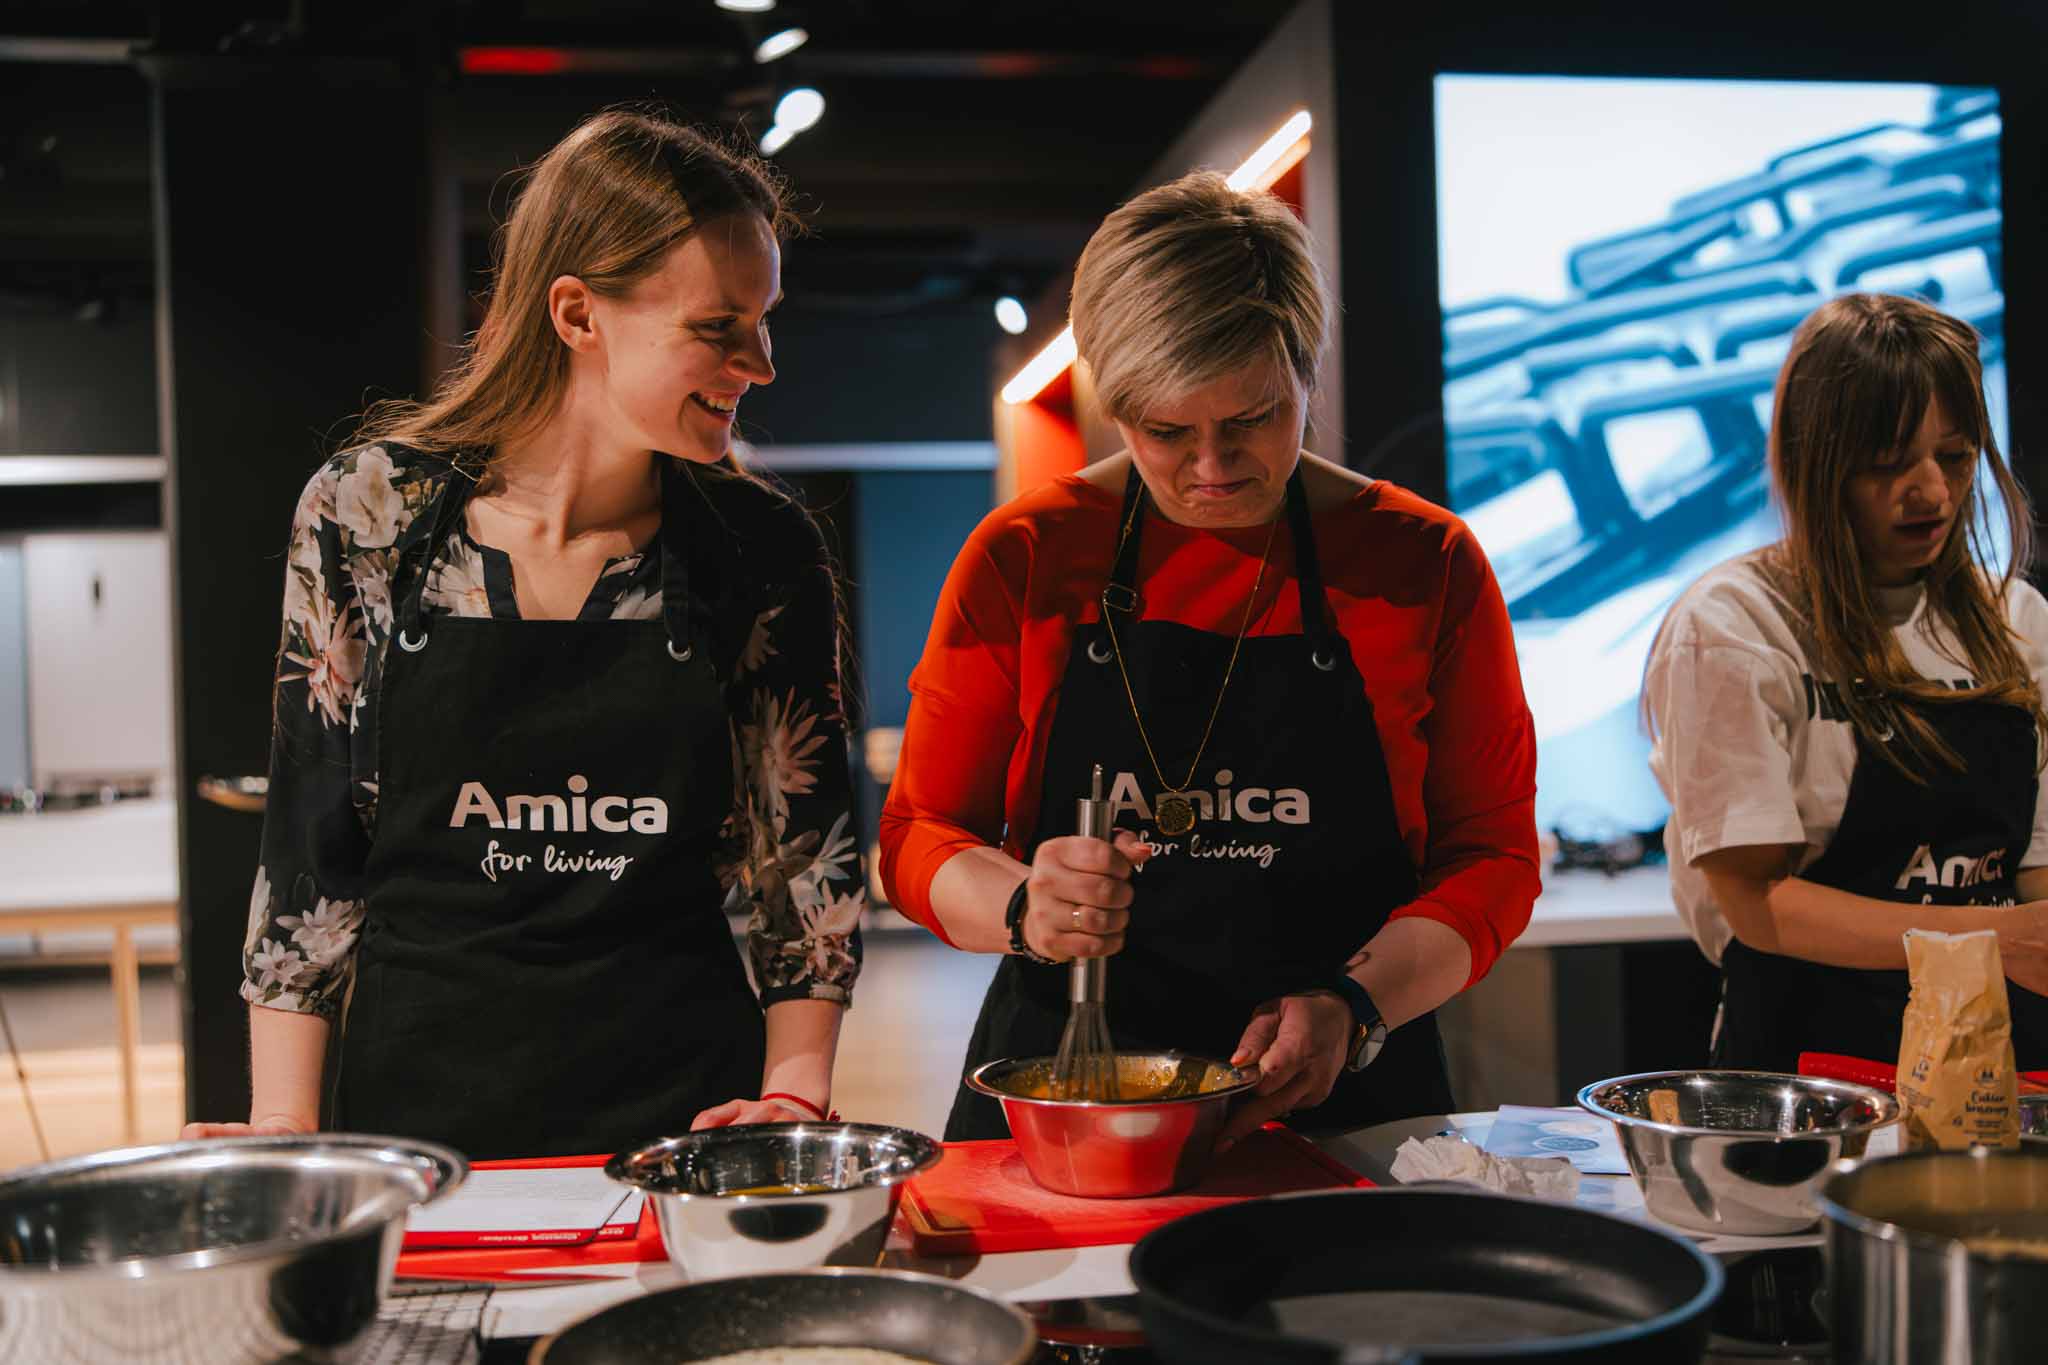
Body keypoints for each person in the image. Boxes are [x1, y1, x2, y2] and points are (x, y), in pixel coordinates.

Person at [183, 110, 866, 1159]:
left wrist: (793, 1096)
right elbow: (311, 852)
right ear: (578, 313)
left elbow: (804, 858)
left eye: (765, 321)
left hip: (683, 1122)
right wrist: (285, 1127)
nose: (760, 364)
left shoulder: (758, 547)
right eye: (718, 325)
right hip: (418, 1120)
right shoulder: (370, 515)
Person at [879, 171, 1540, 1143]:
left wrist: (1355, 1005)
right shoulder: (1026, 556)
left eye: (1251, 419)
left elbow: (1493, 858)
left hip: (1343, 1092)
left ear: (1306, 373)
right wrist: (1023, 904)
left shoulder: (1421, 562)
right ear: (1114, 405)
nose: (1212, 468)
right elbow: (918, 833)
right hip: (1069, 1087)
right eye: (1165, 431)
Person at [1645, 292, 2048, 1073]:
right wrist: (1993, 936)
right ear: (1816, 463)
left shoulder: (2018, 620)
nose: (1931, 492)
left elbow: (2035, 879)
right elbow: (1756, 905)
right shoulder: (1736, 624)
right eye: (1889, 462)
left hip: (1991, 1065)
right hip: (1810, 1071)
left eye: (1955, 456)